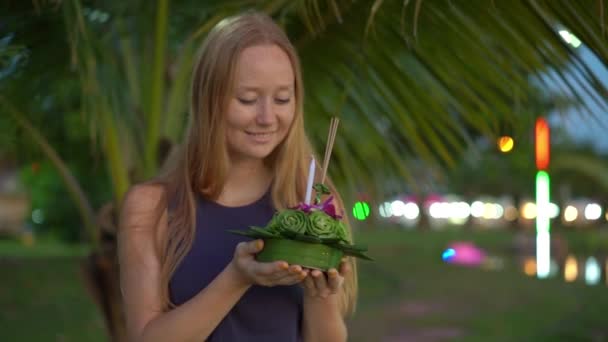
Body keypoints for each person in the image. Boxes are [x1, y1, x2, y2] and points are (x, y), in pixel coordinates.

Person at [117, 11, 358, 342]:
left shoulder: (313, 202)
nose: (267, 117)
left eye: (282, 99)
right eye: (247, 99)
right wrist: (236, 278)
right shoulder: (151, 207)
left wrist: (321, 295)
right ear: (209, 100)